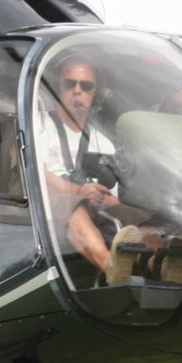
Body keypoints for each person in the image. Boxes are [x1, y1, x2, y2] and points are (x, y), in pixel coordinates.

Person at [37, 54, 142, 285]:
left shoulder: (102, 142)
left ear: (95, 93)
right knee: (70, 204)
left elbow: (113, 188)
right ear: (58, 87)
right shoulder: (39, 124)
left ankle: (162, 263)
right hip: (51, 205)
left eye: (86, 86)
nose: (77, 91)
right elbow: (34, 174)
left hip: (93, 204)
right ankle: (110, 266)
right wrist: (77, 190)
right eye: (69, 84)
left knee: (140, 214)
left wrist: (112, 203)